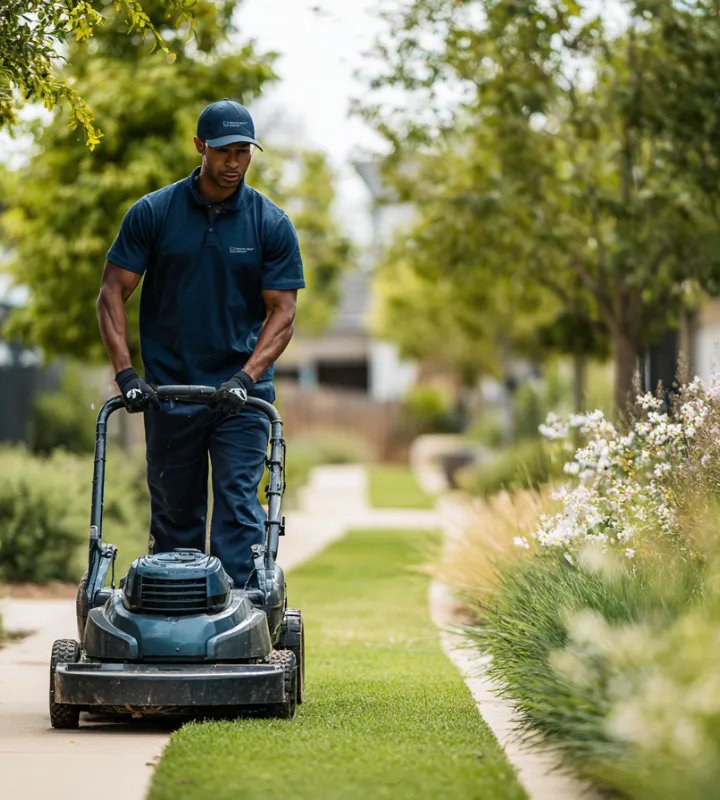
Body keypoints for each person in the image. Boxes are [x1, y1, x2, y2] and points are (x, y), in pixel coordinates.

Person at [97, 98, 305, 587]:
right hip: (170, 393)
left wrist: (245, 378)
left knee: (237, 507)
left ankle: (239, 626)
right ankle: (177, 627)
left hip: (242, 398)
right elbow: (112, 292)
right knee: (175, 515)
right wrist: (127, 375)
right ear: (200, 147)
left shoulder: (269, 223)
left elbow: (283, 312)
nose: (234, 163)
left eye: (243, 152)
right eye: (223, 151)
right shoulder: (154, 212)